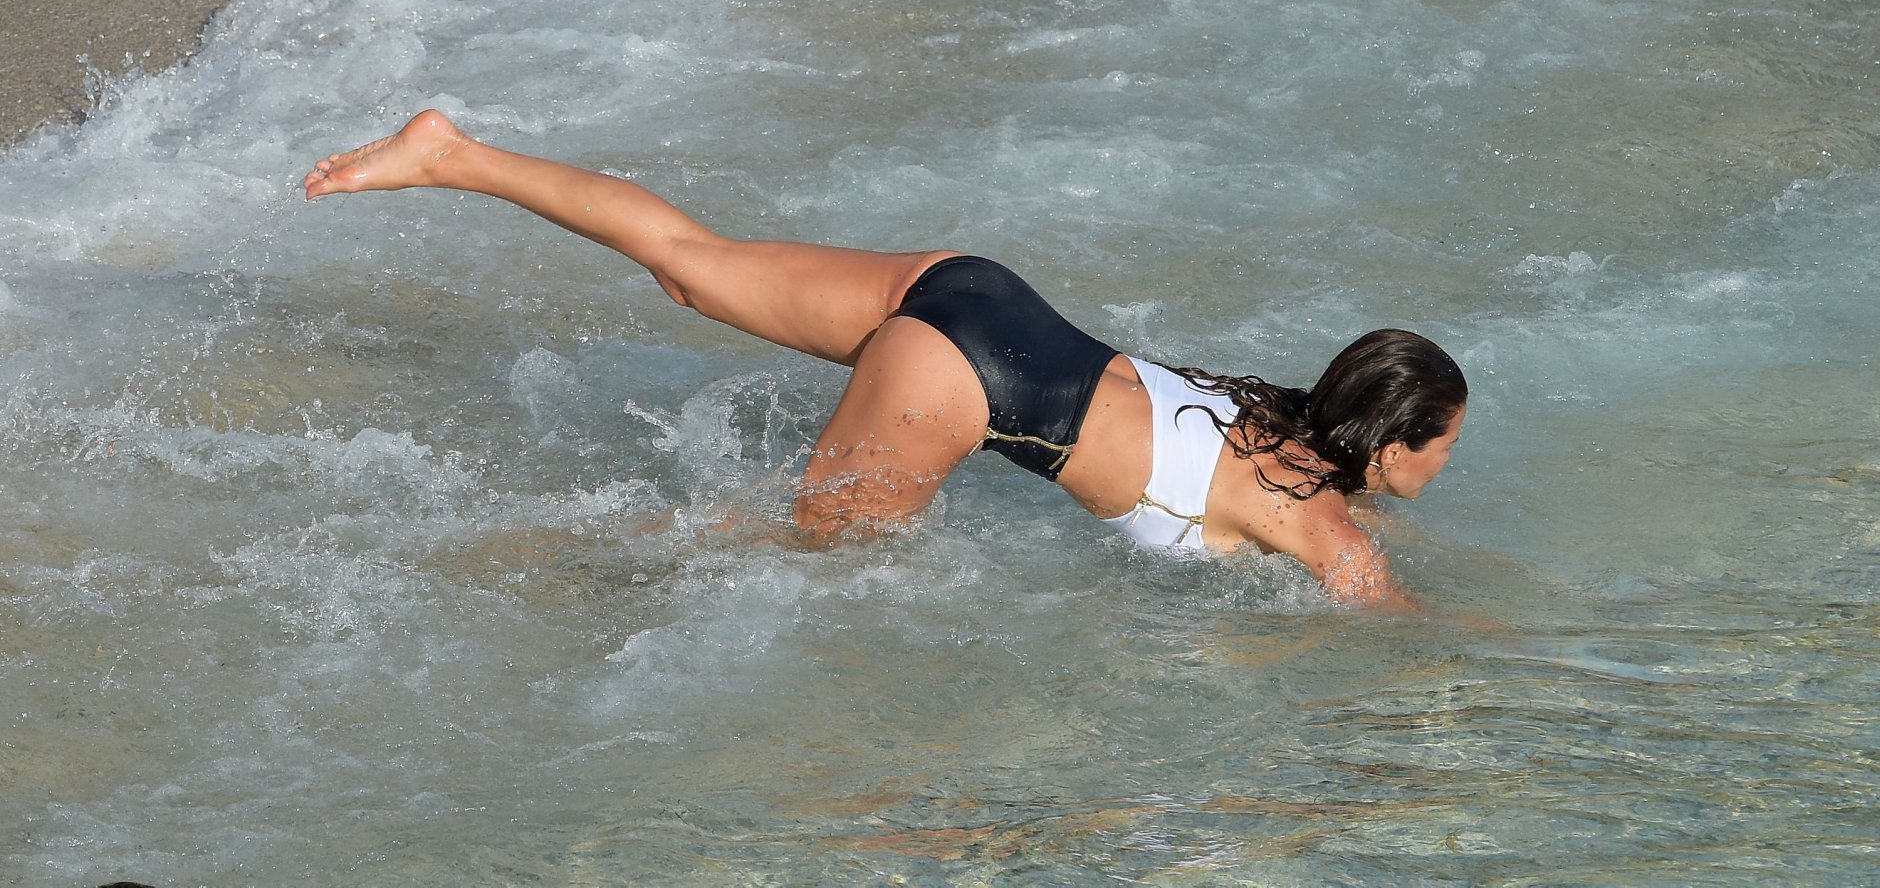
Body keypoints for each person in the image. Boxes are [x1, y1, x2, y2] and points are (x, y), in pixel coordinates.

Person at [304, 110, 1467, 607]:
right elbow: (1394, 626)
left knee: (691, 260)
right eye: (1444, 443)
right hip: (956, 383)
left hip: (976, 291)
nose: (1448, 460)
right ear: (1391, 443)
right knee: (798, 554)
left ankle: (451, 153)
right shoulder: (1316, 520)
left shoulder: (1265, 412)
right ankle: (488, 556)